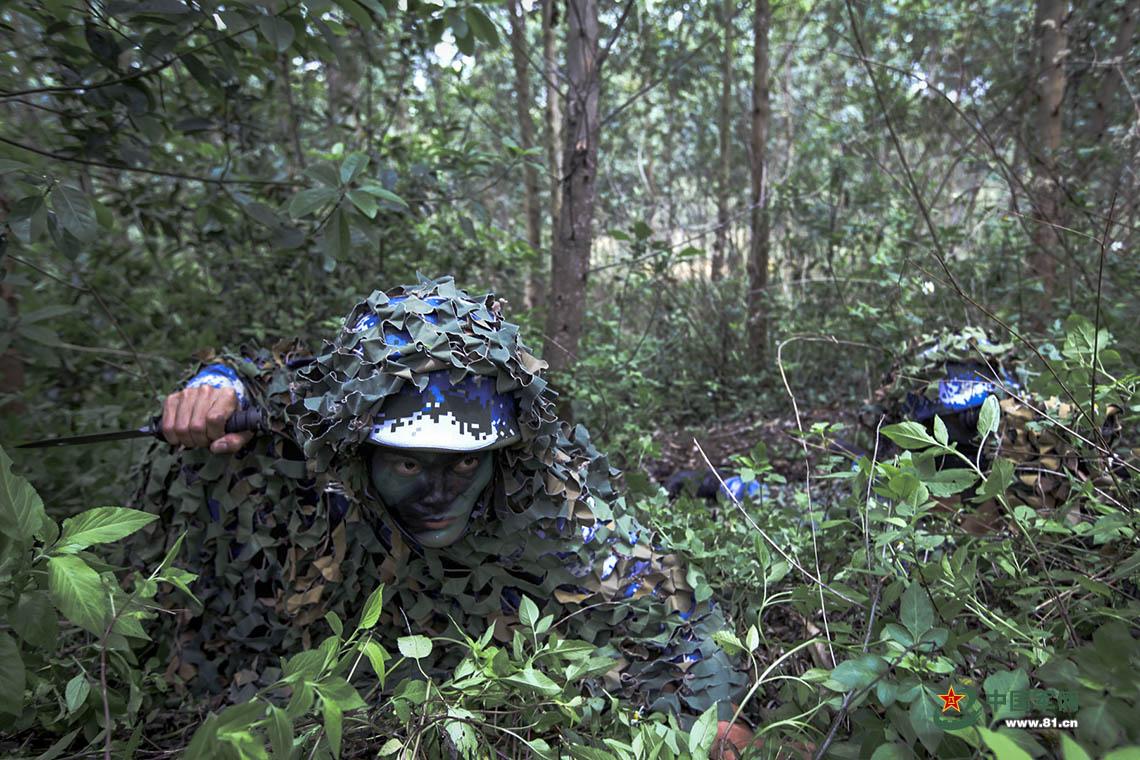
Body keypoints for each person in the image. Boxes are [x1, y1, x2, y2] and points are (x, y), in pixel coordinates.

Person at [132, 276, 756, 754]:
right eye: (407, 465)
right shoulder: (333, 422)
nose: (437, 493)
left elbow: (677, 605)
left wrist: (722, 717)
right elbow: (268, 383)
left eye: (460, 465)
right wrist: (218, 387)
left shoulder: (550, 501)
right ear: (357, 452)